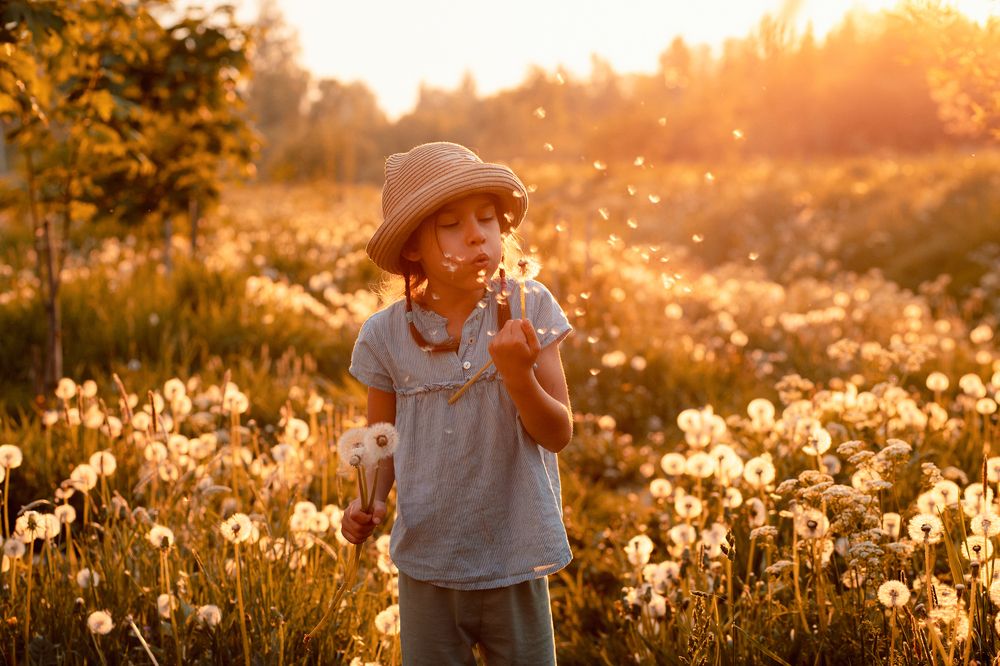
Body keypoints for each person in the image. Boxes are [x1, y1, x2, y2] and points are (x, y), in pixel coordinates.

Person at [342, 141, 574, 665]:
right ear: (412, 249)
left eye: (487, 218)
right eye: (450, 224)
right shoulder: (385, 336)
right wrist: (369, 501)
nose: (476, 234)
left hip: (515, 556)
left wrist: (517, 374)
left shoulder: (529, 306)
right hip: (428, 562)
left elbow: (558, 433)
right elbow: (381, 443)